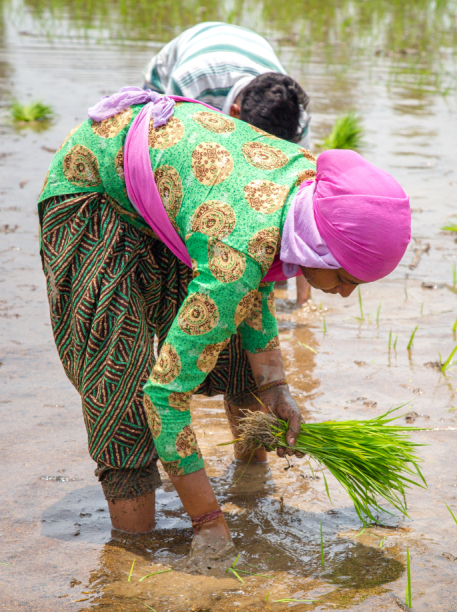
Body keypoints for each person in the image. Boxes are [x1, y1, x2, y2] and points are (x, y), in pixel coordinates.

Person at [38, 87, 410, 570]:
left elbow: (253, 283)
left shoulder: (302, 186)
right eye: (343, 277)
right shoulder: (239, 246)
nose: (343, 292)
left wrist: (276, 387)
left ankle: (248, 484)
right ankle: (134, 555)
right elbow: (165, 399)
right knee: (124, 388)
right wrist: (208, 522)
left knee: (234, 353)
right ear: (319, 244)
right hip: (90, 191)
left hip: (176, 195)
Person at [143, 21, 313, 305]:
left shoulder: (294, 116)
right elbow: (173, 160)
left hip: (246, 56)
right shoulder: (192, 83)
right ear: (234, 112)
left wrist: (303, 302)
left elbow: (301, 199)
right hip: (170, 77)